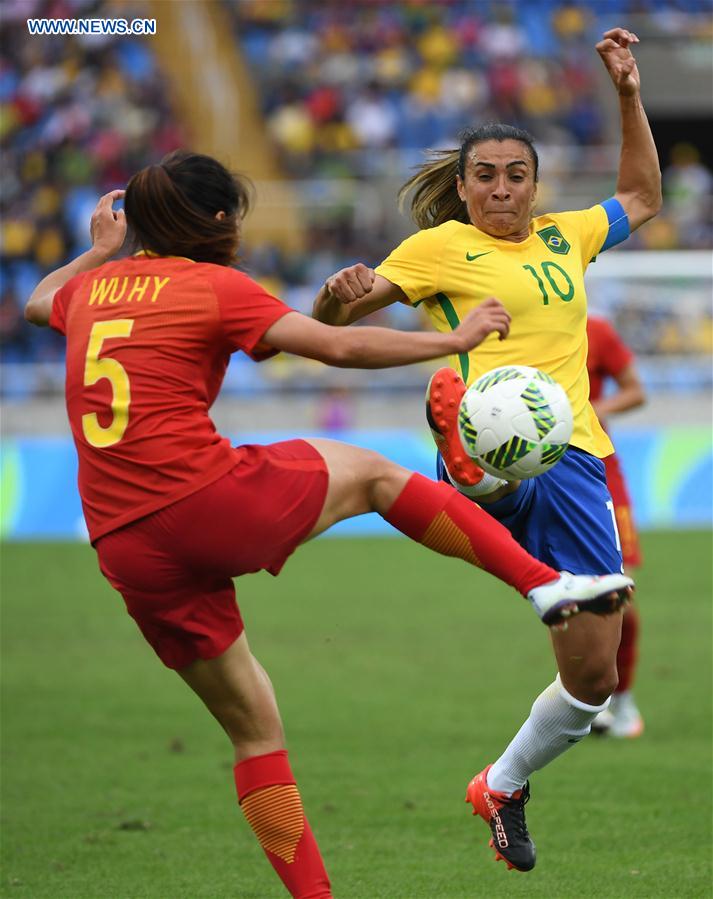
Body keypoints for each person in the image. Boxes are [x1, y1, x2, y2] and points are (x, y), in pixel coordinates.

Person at [23, 151, 632, 899]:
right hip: (202, 498)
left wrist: (100, 249)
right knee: (374, 477)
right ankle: (541, 584)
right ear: (219, 220)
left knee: (254, 733)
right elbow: (337, 344)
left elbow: (38, 302)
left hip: (122, 543)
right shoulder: (214, 286)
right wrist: (451, 341)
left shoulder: (89, 290)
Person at [313, 27, 661, 872]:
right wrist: (334, 295)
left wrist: (626, 94)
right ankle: (469, 466)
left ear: (534, 184)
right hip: (491, 433)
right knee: (488, 439)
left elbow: (641, 196)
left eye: (514, 174)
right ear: (463, 187)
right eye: (485, 175)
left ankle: (500, 784)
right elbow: (333, 326)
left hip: (577, 458)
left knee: (593, 676)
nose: (500, 187)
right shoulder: (436, 249)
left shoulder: (567, 236)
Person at [586, 315, 646, 738]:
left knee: (619, 596)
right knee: (573, 599)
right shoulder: (522, 329)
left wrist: (593, 410)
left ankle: (620, 700)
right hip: (551, 475)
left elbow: (635, 391)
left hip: (603, 472)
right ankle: (589, 698)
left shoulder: (597, 331)